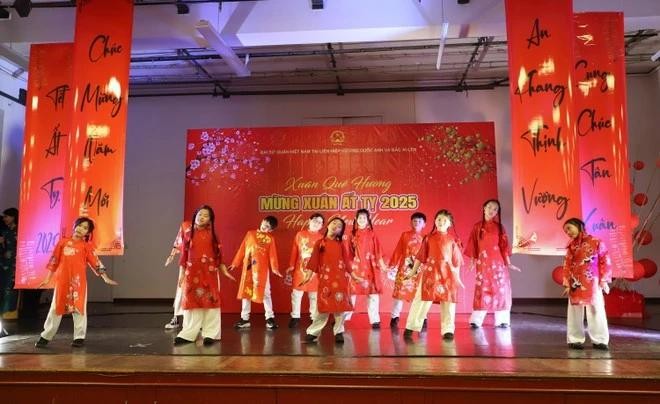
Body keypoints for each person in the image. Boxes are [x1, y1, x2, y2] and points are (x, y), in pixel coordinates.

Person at [34, 217, 118, 348]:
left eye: (85, 228)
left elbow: (96, 262)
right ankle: (46, 336)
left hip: (78, 283)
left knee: (79, 309)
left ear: (88, 233)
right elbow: (54, 261)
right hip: (62, 281)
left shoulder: (86, 246)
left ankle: (79, 337)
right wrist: (47, 279)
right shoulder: (62, 242)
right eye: (80, 226)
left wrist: (105, 277)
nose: (81, 229)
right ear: (75, 226)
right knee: (56, 308)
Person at [174, 205, 234, 345]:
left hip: (210, 272)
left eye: (206, 215)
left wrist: (224, 270)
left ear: (210, 220)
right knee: (192, 302)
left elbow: (219, 256)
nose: (202, 217)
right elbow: (183, 256)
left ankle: (210, 333)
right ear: (195, 215)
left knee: (211, 301)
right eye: (200, 214)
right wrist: (182, 275)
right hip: (191, 272)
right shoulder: (188, 233)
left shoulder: (213, 235)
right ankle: (188, 333)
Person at [403, 210, 464, 340]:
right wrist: (413, 271)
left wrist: (457, 278)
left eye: (444, 220)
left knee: (448, 302)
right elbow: (420, 257)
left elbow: (456, 261)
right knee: (420, 300)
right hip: (430, 273)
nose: (441, 222)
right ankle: (411, 326)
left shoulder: (453, 240)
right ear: (435, 221)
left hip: (447, 275)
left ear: (450, 224)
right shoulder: (428, 238)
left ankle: (448, 329)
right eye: (439, 219)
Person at [464, 199, 520, 328]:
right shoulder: (477, 227)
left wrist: (509, 263)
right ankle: (476, 320)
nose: (492, 211)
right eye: (489, 207)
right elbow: (473, 245)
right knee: (482, 290)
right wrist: (472, 262)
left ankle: (502, 320)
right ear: (484, 208)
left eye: (495, 209)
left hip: (499, 264)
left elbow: (504, 247)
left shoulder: (500, 228)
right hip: (483, 264)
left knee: (501, 290)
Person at [300, 217, 355, 344]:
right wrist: (307, 276)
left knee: (339, 308)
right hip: (325, 281)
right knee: (322, 308)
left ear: (341, 231)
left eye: (340, 226)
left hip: (341, 279)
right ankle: (313, 333)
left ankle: (339, 332)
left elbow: (347, 261)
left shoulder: (341, 244)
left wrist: (354, 275)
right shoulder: (320, 243)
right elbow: (313, 261)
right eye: (334, 223)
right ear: (328, 225)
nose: (336, 226)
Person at [561, 217, 611, 350]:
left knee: (596, 309)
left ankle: (600, 340)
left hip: (592, 282)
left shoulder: (596, 242)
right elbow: (567, 264)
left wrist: (604, 279)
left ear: (578, 226)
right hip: (575, 281)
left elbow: (605, 260)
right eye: (565, 231)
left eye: (569, 228)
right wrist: (567, 284)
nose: (568, 232)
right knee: (574, 311)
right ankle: (574, 339)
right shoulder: (571, 246)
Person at [230, 215, 282, 330]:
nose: (265, 227)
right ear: (262, 221)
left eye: (268, 227)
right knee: (246, 292)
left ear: (271, 230)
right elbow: (242, 249)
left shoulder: (270, 239)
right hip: (248, 268)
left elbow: (272, 255)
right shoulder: (250, 234)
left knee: (266, 292)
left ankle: (269, 317)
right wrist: (235, 263)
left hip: (262, 269)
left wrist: (275, 269)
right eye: (265, 223)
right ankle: (244, 318)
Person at [346, 209, 387, 328]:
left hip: (371, 267)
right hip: (357, 267)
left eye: (364, 218)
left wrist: (383, 265)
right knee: (351, 293)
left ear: (368, 220)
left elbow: (378, 251)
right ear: (356, 219)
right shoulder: (352, 234)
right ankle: (344, 318)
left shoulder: (372, 234)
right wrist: (349, 269)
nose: (362, 220)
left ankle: (375, 320)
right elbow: (349, 253)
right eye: (360, 218)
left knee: (372, 294)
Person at [388, 211, 427, 329]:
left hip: (420, 269)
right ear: (411, 222)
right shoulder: (405, 235)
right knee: (399, 293)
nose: (417, 223)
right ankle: (395, 317)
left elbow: (429, 254)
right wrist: (393, 264)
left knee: (421, 294)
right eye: (414, 221)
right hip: (404, 268)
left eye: (419, 221)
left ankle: (423, 317)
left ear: (424, 224)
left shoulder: (427, 237)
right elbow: (398, 250)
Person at [285, 213, 325, 328]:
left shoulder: (322, 238)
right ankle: (295, 317)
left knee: (314, 295)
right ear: (309, 221)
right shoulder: (300, 234)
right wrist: (291, 265)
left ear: (321, 226)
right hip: (300, 269)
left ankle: (313, 317)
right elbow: (294, 250)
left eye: (320, 222)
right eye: (315, 220)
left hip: (315, 271)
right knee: (297, 294)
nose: (317, 223)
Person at [163, 222, 190, 330]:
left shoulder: (207, 230)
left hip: (201, 264)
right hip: (186, 263)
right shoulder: (186, 226)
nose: (202, 217)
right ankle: (176, 318)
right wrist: (171, 255)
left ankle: (197, 323)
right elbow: (179, 242)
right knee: (181, 290)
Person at [0, 208, 19, 320]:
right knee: (3, 287)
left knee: (10, 288)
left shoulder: (20, 231)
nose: (4, 218)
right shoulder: (4, 232)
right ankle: (3, 312)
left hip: (15, 264)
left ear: (13, 217)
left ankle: (10, 312)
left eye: (7, 216)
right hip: (3, 264)